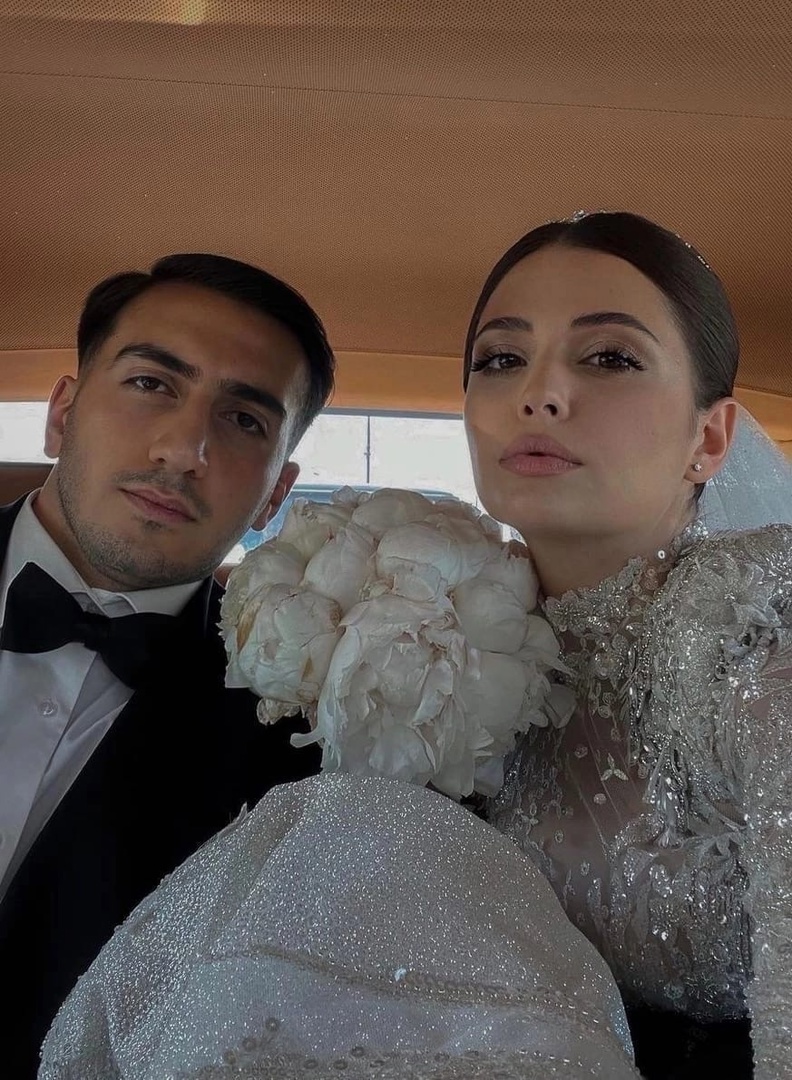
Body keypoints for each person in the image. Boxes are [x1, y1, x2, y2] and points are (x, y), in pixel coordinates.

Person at [462, 211, 792, 1079]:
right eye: (500, 359)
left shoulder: (758, 630)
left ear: (708, 439)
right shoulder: (436, 632)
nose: (539, 394)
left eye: (608, 358)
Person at [0, 252, 334, 1076]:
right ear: (62, 414)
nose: (186, 448)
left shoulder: (300, 741)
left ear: (276, 494)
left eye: (244, 421)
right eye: (151, 383)